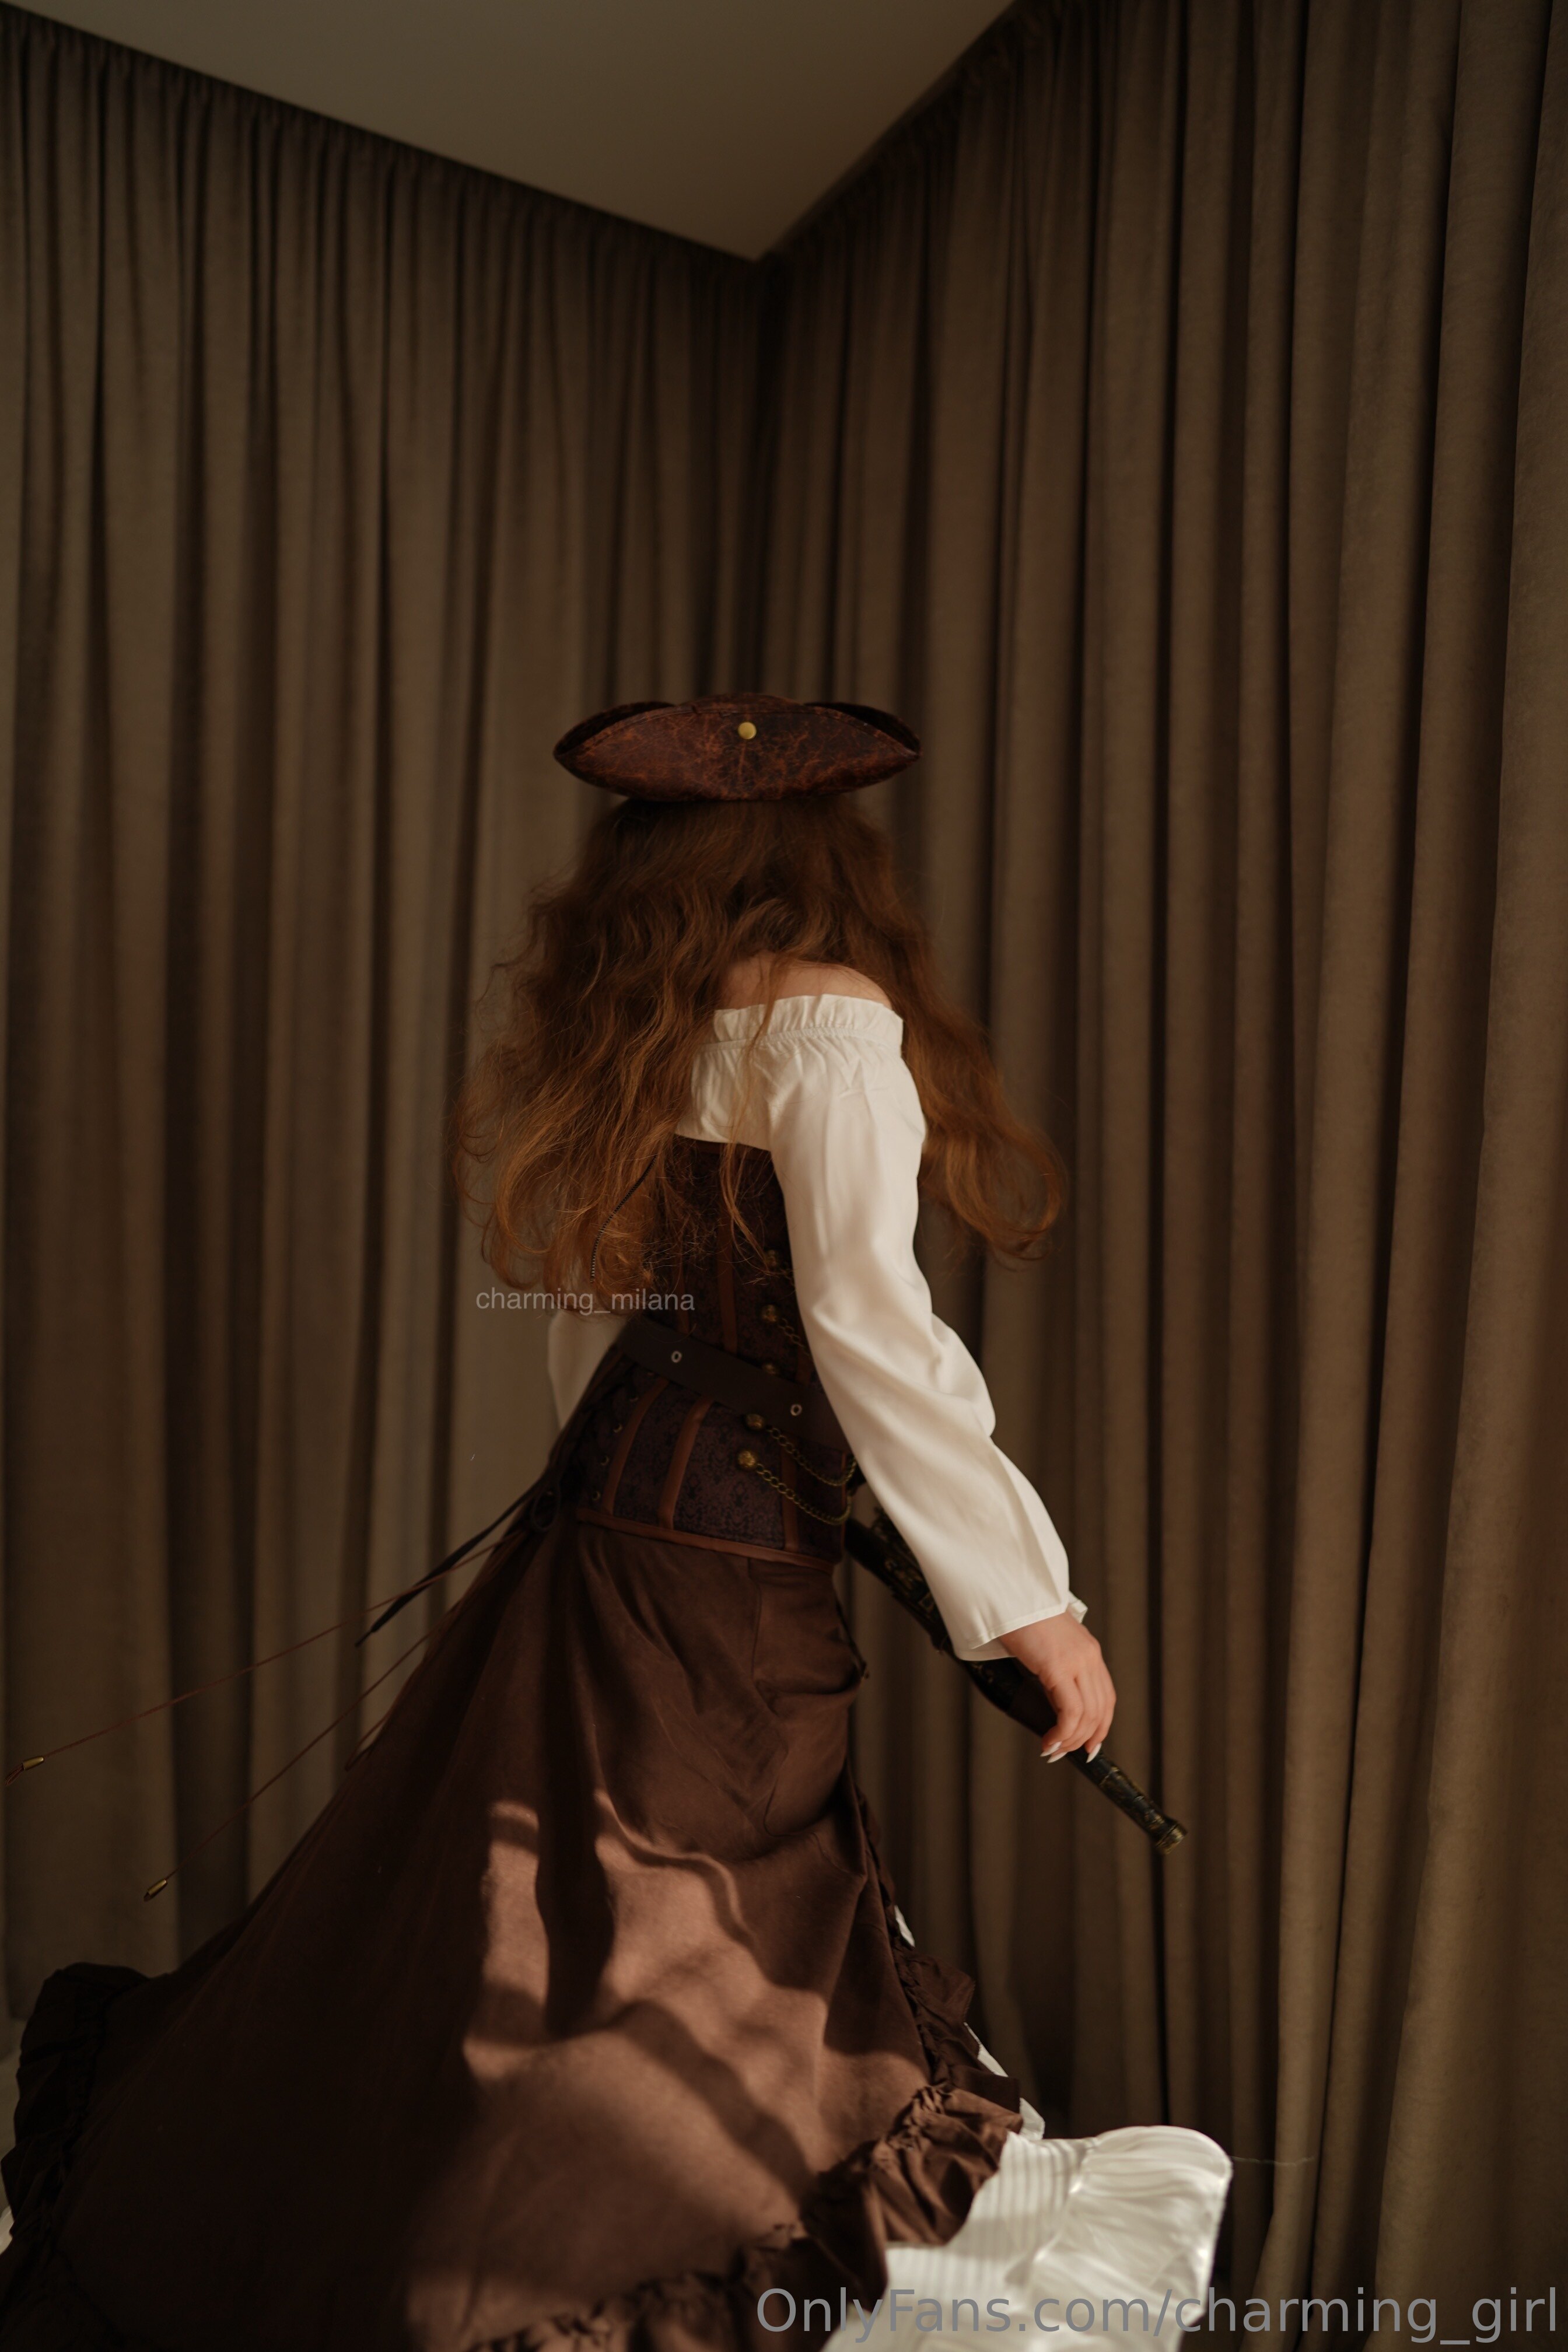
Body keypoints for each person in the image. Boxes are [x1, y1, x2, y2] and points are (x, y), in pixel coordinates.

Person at [0, 694, 1228, 2350]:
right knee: (671, 1940)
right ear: (825, 855)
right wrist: (1028, 1601)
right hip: (726, 1576)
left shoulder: (641, 1025)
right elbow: (870, 1328)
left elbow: (606, 1323)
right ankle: (532, 2276)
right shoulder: (831, 1022)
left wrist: (605, 1494)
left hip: (596, 1536)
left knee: (558, 1932)